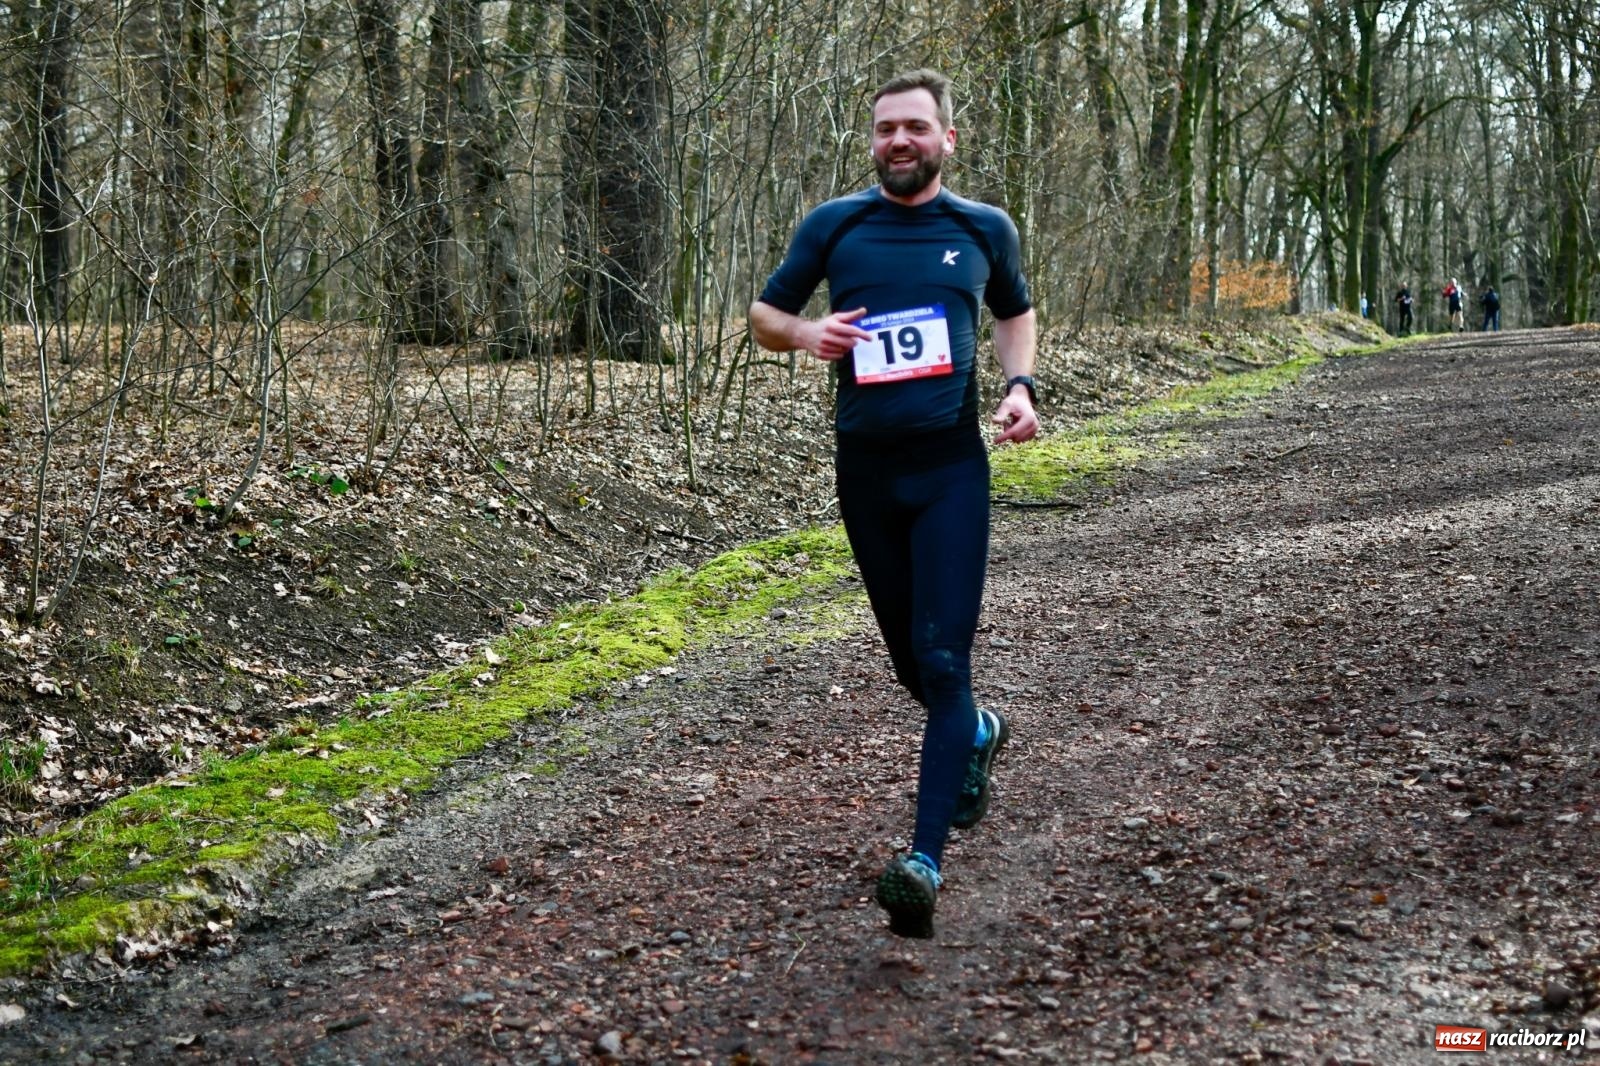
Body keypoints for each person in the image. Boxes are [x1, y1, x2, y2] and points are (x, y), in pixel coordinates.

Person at [749, 69, 1037, 940]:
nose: (899, 141)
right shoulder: (835, 227)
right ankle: (978, 730)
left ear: (948, 138)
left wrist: (1020, 385)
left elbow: (1015, 312)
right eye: (885, 130)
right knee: (914, 667)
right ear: (873, 142)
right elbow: (765, 312)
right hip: (866, 474)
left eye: (915, 127)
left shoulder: (983, 229)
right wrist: (807, 334)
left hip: (952, 468)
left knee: (943, 659)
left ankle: (922, 862)